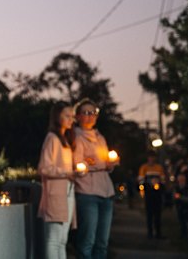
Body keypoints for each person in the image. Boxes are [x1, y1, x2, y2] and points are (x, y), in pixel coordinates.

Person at [72, 98, 117, 259]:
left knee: (102, 242)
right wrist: (95, 165)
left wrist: (109, 164)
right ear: (77, 116)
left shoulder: (100, 137)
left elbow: (101, 162)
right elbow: (78, 166)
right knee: (87, 241)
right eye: (86, 113)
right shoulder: (76, 137)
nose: (90, 116)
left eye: (93, 112)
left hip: (106, 192)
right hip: (87, 192)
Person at [38, 101, 77, 259]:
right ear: (57, 116)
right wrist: (66, 172)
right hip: (56, 194)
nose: (71, 119)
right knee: (53, 239)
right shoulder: (52, 138)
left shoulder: (65, 140)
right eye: (67, 116)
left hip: (67, 193)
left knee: (62, 240)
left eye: (72, 116)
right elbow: (44, 168)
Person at [137, 150, 166, 238]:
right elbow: (140, 181)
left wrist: (160, 185)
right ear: (148, 158)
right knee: (149, 214)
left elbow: (163, 180)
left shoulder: (159, 167)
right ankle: (150, 233)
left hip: (157, 194)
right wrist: (145, 186)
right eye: (150, 157)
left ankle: (158, 233)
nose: (152, 159)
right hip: (149, 194)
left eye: (153, 157)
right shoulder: (144, 167)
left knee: (158, 214)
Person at [173, 172, 188, 238]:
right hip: (179, 206)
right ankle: (183, 233)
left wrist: (181, 197)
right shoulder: (176, 188)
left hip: (187, 206)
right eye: (180, 178)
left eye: (182, 178)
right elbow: (174, 197)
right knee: (181, 220)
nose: (181, 180)